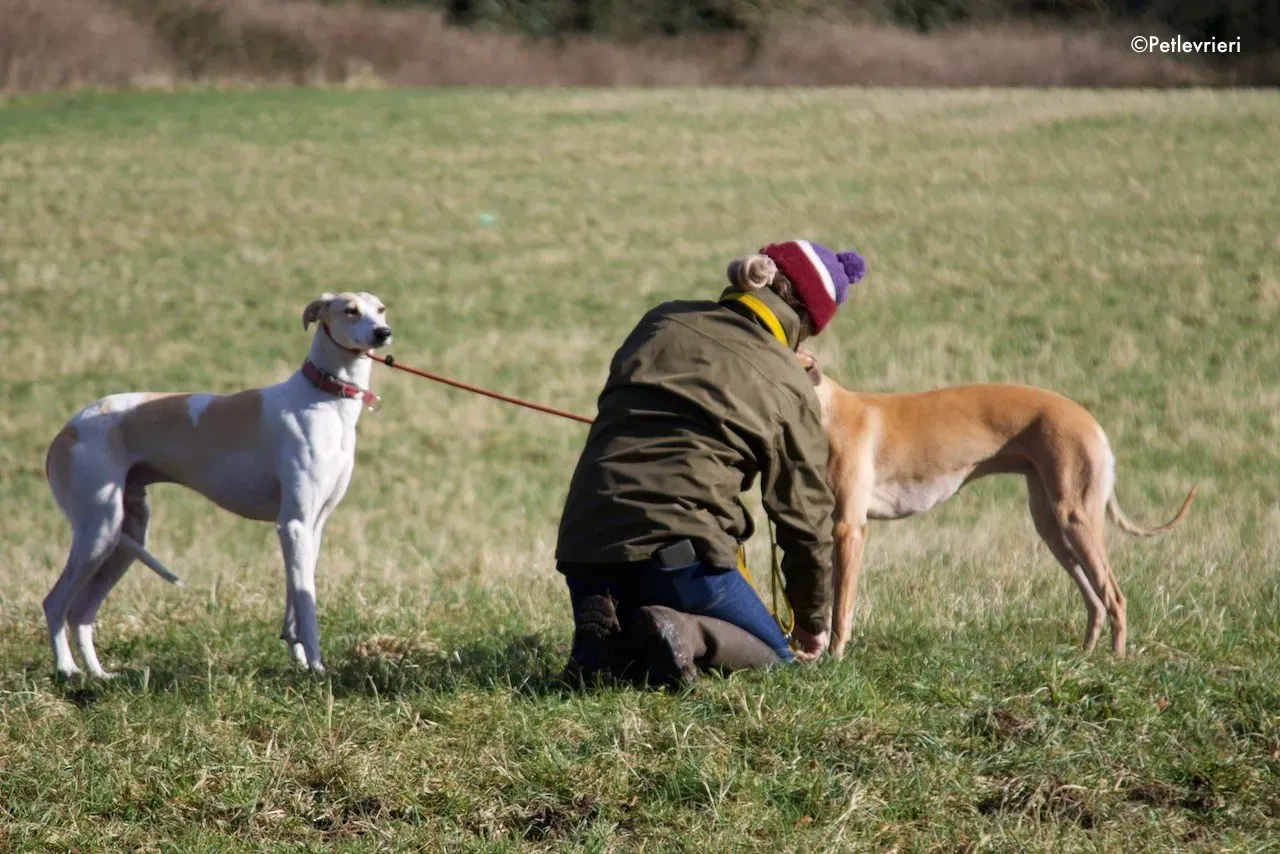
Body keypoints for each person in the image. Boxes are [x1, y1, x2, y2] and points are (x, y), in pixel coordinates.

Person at [555, 240, 867, 687]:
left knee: (626, 665)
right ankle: (686, 629)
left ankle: (605, 640)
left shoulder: (661, 319)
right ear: (803, 323)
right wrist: (811, 621)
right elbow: (804, 521)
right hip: (676, 560)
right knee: (775, 661)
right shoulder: (786, 383)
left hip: (583, 544)